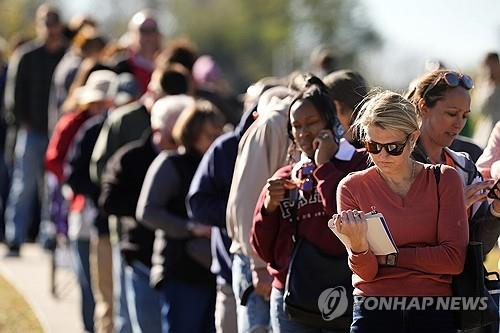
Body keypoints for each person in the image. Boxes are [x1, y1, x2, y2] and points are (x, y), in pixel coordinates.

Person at [333, 90, 468, 333]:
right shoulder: (351, 187)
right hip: (373, 309)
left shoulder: (444, 179)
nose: (382, 156)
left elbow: (454, 260)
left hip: (433, 310)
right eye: (373, 146)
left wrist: (391, 258)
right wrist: (359, 248)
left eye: (393, 147)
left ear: (413, 138)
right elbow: (367, 272)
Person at [251, 74, 368, 332]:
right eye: (296, 126)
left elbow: (345, 217)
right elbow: (263, 250)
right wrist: (268, 209)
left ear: (331, 121)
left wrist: (324, 166)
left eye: (311, 122)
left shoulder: (359, 163)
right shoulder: (284, 176)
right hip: (292, 297)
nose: (303, 132)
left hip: (345, 290)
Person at [99, 95, 192, 333]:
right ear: (156, 129)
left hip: (181, 262)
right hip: (140, 255)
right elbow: (109, 200)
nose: (177, 142)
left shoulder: (191, 159)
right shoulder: (130, 158)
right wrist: (151, 206)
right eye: (172, 135)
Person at [136, 100, 224, 332]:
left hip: (212, 272)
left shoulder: (219, 166)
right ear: (192, 133)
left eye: (219, 134)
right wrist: (189, 228)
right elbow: (147, 211)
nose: (216, 141)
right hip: (180, 270)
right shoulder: (171, 163)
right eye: (209, 135)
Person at [407, 70, 500, 255]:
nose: (459, 124)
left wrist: (495, 211)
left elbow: (478, 250)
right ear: (423, 106)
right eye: (451, 114)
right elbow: (399, 236)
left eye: (465, 116)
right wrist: (452, 210)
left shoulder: (464, 167)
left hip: (457, 283)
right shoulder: (396, 162)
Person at [226, 85, 294, 333]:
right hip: (259, 259)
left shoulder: (284, 123)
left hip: (279, 258)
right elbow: (247, 200)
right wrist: (257, 265)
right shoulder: (271, 125)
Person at [3, 3, 67, 256]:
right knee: (24, 185)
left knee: (51, 188)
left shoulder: (66, 56)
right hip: (31, 131)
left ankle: (47, 236)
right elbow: (13, 97)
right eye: (46, 22)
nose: (50, 28)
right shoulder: (27, 56)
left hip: (56, 133)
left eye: (54, 22)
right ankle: (15, 237)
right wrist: (24, 122)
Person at [187, 104, 256, 333]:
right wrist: (240, 214)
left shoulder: (293, 142)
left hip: (277, 281)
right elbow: (197, 203)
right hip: (229, 272)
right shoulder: (225, 148)